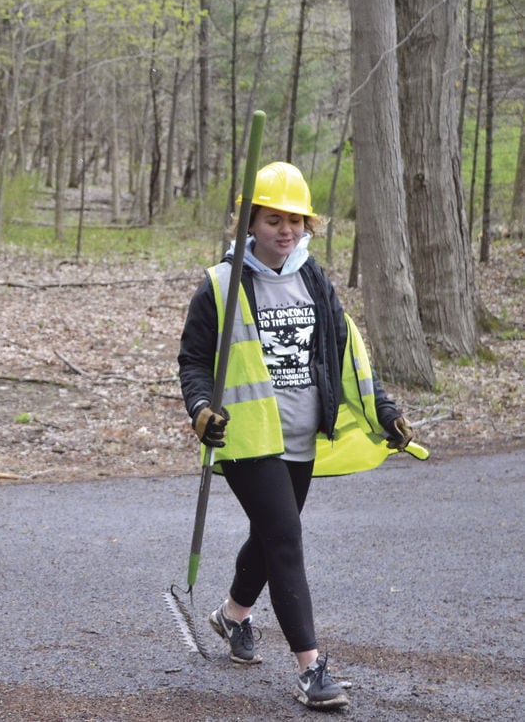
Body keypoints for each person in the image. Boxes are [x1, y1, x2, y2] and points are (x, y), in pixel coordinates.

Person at [177, 161, 415, 710]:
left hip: (302, 436)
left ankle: (232, 616)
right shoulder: (221, 284)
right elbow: (193, 361)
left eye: (297, 220)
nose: (287, 230)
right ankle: (311, 670)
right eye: (274, 218)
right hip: (247, 438)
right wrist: (200, 410)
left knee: (270, 536)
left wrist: (385, 410)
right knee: (285, 538)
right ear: (249, 222)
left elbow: (346, 354)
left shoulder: (313, 277)